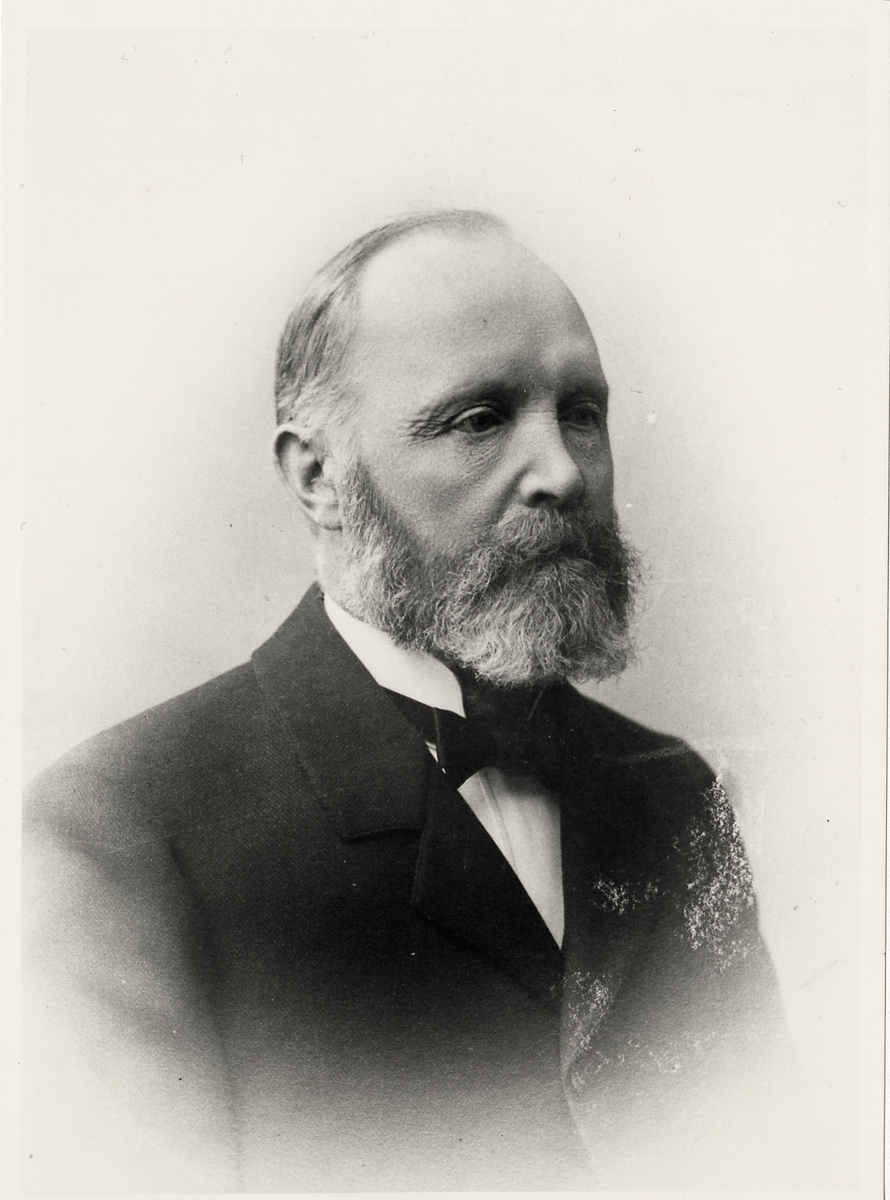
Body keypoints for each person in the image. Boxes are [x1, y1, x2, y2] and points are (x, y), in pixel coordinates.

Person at [23, 209, 800, 1193]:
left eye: (581, 413)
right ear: (320, 478)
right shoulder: (121, 826)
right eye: (478, 420)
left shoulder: (672, 793)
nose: (563, 472)